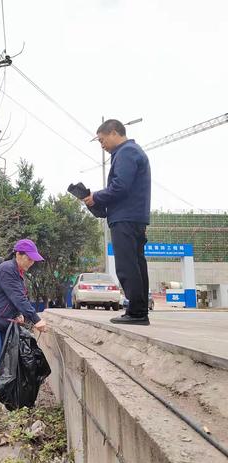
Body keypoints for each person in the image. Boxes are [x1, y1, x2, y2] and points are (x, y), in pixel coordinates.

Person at [84, 119, 151, 325]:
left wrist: (96, 196)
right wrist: (95, 202)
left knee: (126, 264)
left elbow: (120, 187)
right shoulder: (130, 152)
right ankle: (138, 309)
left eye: (102, 140)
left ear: (114, 133)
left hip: (126, 218)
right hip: (132, 216)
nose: (102, 145)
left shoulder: (126, 152)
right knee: (136, 263)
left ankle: (137, 312)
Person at [0, 239, 48, 396]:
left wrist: (18, 314)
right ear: (18, 255)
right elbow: (18, 298)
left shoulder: (17, 272)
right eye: (29, 258)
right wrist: (36, 319)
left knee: (3, 363)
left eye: (33, 260)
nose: (31, 262)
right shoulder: (7, 270)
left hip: (1, 322)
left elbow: (9, 298)